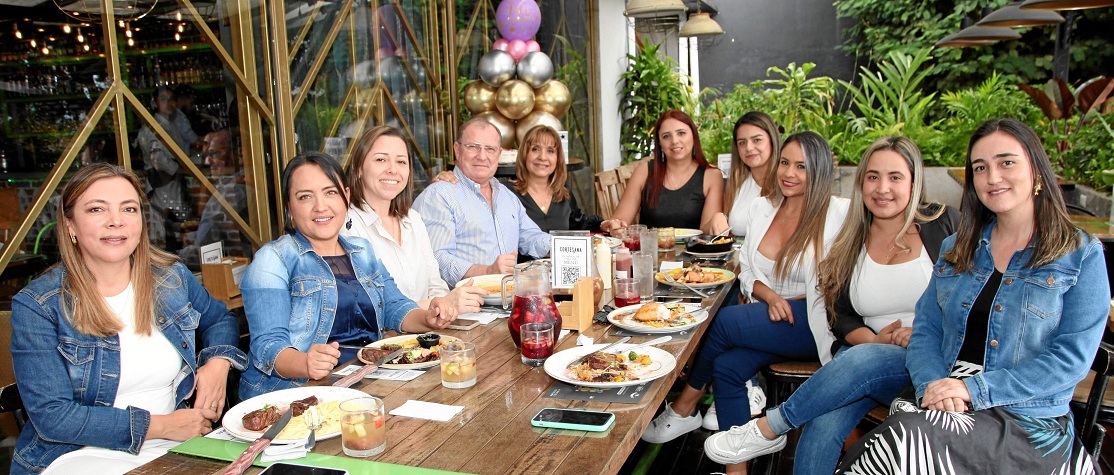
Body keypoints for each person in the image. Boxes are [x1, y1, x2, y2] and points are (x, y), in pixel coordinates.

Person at [836, 119, 1107, 473]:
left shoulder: (1080, 254)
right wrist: (936, 386)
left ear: (1037, 172)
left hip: (1026, 419)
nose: (992, 177)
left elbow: (1070, 360)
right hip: (945, 402)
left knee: (897, 446)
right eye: (981, 168)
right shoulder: (956, 248)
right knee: (895, 443)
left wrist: (972, 389)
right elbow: (927, 332)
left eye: (1006, 162)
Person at [699, 137, 959, 474]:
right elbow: (840, 314)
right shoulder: (851, 236)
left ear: (915, 181)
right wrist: (873, 341)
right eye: (873, 177)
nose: (882, 188)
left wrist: (923, 332)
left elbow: (971, 294)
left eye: (895, 177)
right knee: (820, 431)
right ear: (861, 181)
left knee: (729, 325)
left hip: (932, 360)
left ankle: (769, 427)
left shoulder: (943, 225)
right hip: (866, 358)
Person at [9, 163, 246, 474]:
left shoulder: (170, 278)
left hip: (175, 445)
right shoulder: (39, 305)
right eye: (97, 209)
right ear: (70, 225)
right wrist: (161, 426)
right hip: (80, 456)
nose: (116, 222)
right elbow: (55, 417)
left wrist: (217, 363)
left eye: (129, 209)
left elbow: (220, 320)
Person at [641, 132, 850, 474]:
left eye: (802, 166)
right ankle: (735, 471)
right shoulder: (763, 207)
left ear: (820, 171)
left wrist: (784, 300)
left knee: (723, 321)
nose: (789, 173)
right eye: (785, 162)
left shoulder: (838, 212)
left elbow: (833, 283)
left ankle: (685, 405)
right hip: (772, 316)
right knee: (727, 367)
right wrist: (767, 296)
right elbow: (748, 268)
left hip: (814, 321)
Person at [239, 152, 457, 400]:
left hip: (367, 381)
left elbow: (394, 306)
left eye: (330, 192)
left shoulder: (361, 249)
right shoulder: (273, 259)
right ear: (289, 206)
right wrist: (305, 363)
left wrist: (429, 318)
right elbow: (267, 346)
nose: (320, 206)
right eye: (305, 197)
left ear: (346, 196)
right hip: (297, 395)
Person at [341, 125, 486, 312]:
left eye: (401, 162)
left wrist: (444, 304)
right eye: (381, 160)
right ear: (359, 167)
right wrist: (443, 304)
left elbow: (436, 285)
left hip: (426, 334)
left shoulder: (412, 219)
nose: (392, 170)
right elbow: (368, 307)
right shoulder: (347, 224)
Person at [413, 118, 551, 285]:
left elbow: (530, 236)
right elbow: (436, 259)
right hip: (462, 307)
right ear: (457, 150)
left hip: (508, 302)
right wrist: (487, 272)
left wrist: (566, 247)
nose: (482, 156)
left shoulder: (507, 196)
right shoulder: (439, 195)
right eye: (473, 147)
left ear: (499, 154)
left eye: (490, 149)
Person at [600, 109, 724, 234]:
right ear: (659, 143)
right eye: (666, 136)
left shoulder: (711, 175)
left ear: (694, 136)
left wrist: (718, 219)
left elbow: (707, 232)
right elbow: (620, 221)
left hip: (693, 251)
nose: (674, 141)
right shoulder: (644, 172)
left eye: (681, 133)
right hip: (650, 251)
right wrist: (616, 226)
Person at [177, 129, 250, 265]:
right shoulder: (252, 182)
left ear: (237, 154)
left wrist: (170, 258)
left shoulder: (230, 193)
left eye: (214, 154)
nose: (207, 161)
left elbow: (203, 251)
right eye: (206, 155)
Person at [511, 125, 603, 233]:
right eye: (535, 149)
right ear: (524, 154)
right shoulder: (508, 194)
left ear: (557, 158)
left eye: (550, 151)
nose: (542, 157)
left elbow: (579, 225)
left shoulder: (563, 190)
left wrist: (602, 225)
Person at [707, 111, 781, 237]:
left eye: (757, 140)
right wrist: (718, 217)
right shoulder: (738, 183)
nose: (749, 148)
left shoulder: (787, 182)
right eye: (742, 142)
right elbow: (718, 229)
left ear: (772, 141)